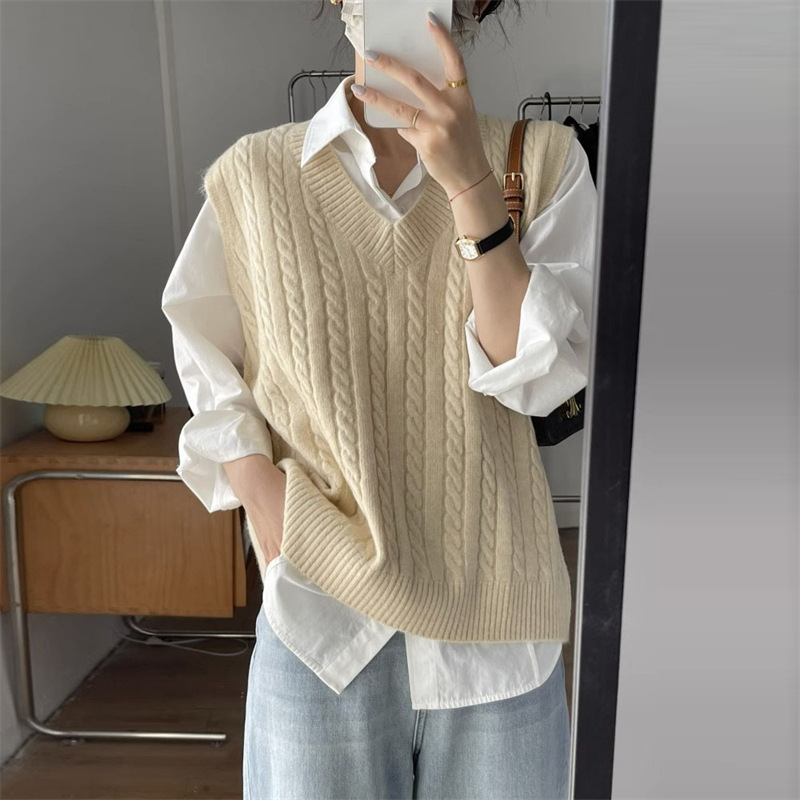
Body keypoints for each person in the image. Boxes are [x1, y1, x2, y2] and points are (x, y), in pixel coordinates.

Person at [161, 1, 596, 797]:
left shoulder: (543, 163)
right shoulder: (253, 177)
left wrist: (470, 184)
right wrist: (265, 504)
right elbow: (205, 354)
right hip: (322, 620)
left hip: (496, 631)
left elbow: (539, 381)